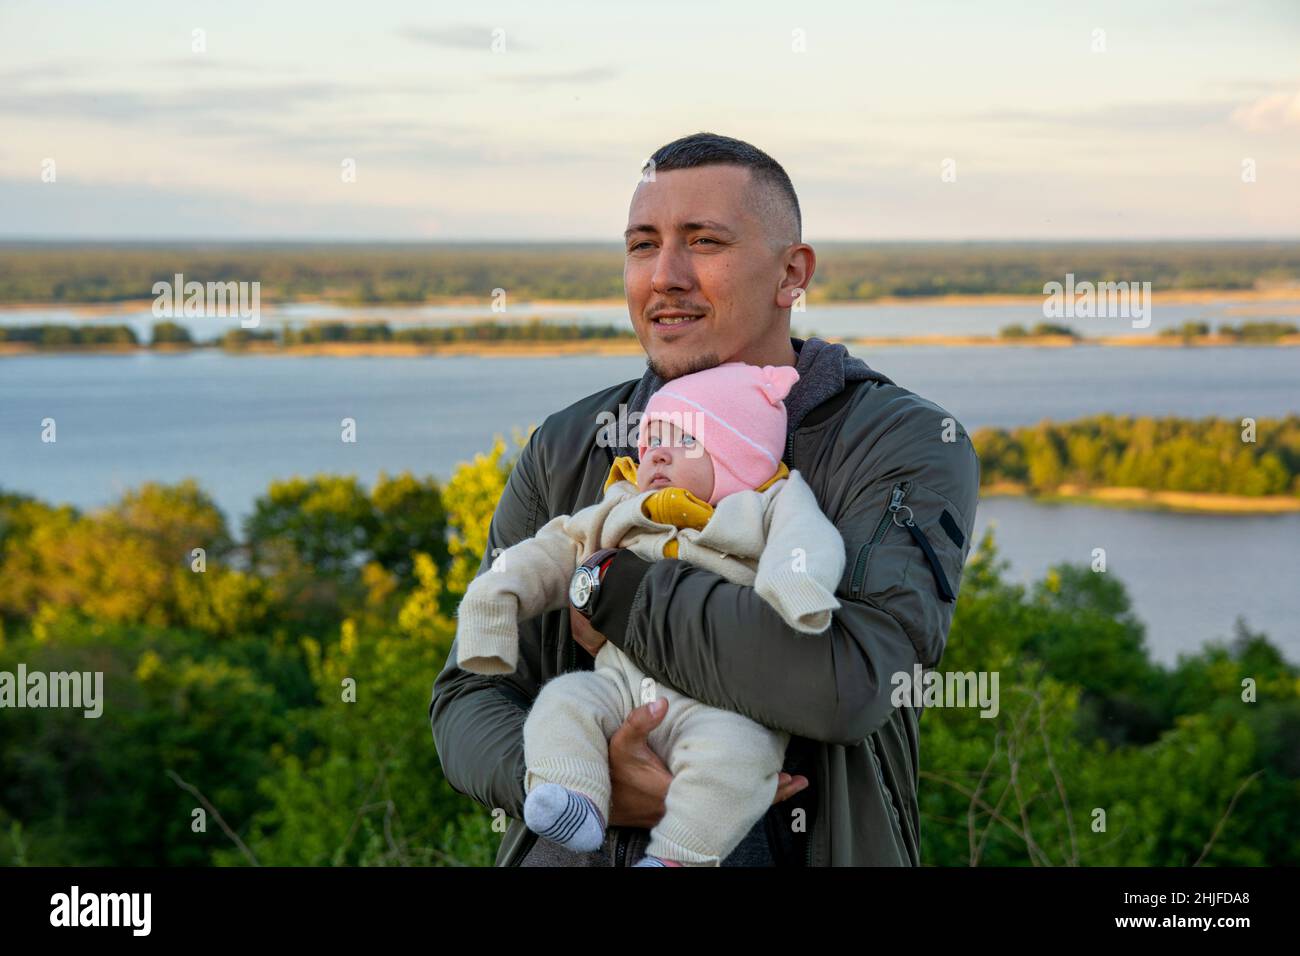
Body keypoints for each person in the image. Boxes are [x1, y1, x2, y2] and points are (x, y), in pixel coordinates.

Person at [430, 131, 981, 866]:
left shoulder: (898, 443)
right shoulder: (570, 445)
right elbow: (469, 694)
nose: (666, 276)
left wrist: (611, 589)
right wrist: (569, 777)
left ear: (793, 273)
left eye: (705, 241)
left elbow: (850, 684)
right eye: (642, 244)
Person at [453, 362, 845, 866]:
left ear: (736, 455)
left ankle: (677, 857)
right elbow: (554, 547)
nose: (657, 451)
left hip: (724, 706)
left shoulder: (763, 507)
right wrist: (494, 599)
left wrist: (798, 592)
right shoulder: (623, 507)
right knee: (564, 701)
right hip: (622, 689)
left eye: (683, 439)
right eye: (652, 438)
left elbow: (808, 541)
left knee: (737, 759)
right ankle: (577, 798)